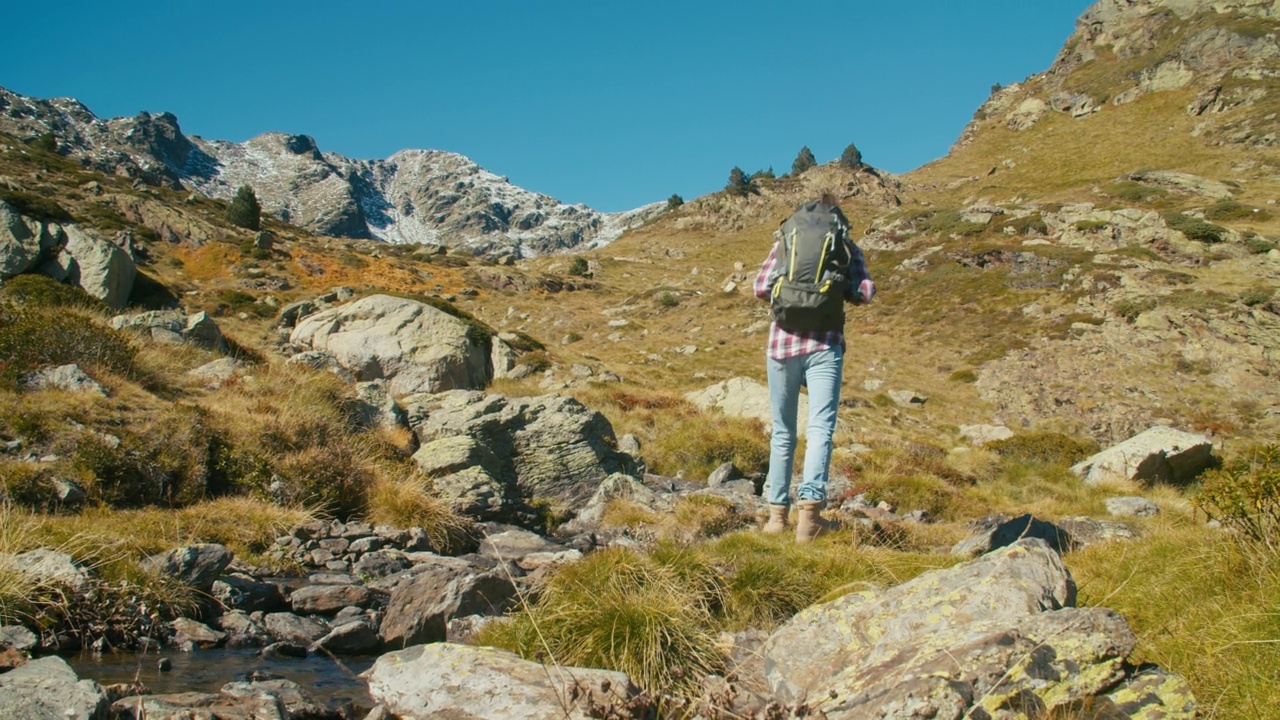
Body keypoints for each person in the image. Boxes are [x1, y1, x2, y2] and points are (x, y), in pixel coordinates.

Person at [753, 195, 874, 542]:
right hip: (824, 346)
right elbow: (865, 294)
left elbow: (760, 288)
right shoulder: (847, 247)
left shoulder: (785, 243)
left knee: (782, 431)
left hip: (782, 344)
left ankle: (777, 517)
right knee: (820, 427)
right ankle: (811, 517)